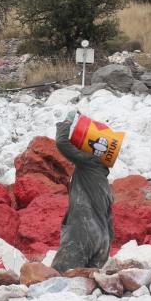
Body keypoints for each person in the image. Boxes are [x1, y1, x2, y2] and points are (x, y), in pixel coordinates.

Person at [51, 112, 114, 272]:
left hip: (82, 234)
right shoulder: (104, 181)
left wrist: (68, 121)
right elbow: (110, 221)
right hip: (102, 241)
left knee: (60, 280)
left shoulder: (89, 163)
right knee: (83, 290)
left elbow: (62, 143)